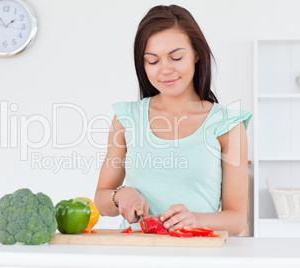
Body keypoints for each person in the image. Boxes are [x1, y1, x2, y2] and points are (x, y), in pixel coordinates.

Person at [93, 4, 252, 236]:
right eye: (153, 61)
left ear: (196, 54)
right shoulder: (126, 119)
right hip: (134, 254)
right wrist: (120, 195)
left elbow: (236, 220)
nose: (165, 70)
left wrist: (193, 219)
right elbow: (101, 199)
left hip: (197, 255)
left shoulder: (228, 125)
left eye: (175, 57)